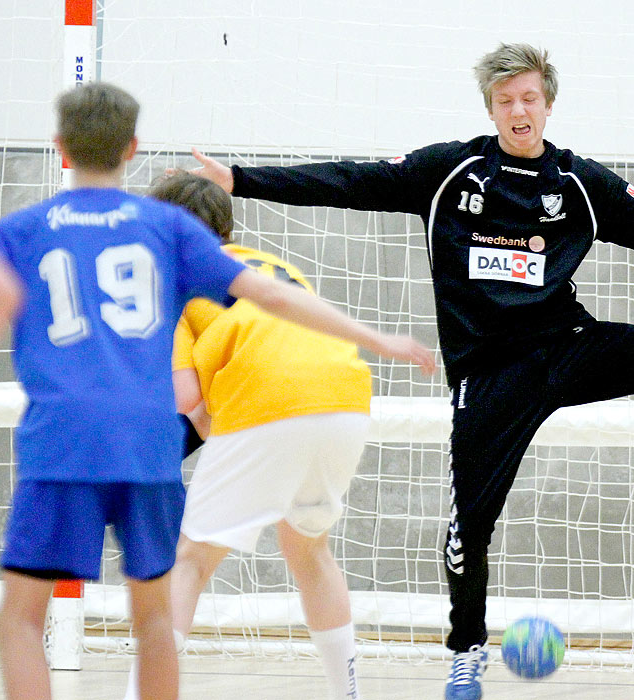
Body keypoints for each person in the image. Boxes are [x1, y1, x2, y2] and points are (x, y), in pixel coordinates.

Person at [181, 43, 634, 700]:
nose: (520, 110)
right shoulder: (450, 172)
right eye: (507, 99)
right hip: (489, 374)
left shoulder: (576, 182)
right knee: (465, 534)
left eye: (531, 98)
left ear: (547, 106)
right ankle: (465, 651)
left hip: (567, 346)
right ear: (490, 108)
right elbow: (351, 183)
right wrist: (241, 180)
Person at [0, 83, 434, 700]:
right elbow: (276, 302)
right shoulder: (215, 249)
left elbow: (181, 393)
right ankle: (347, 690)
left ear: (59, 147)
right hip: (292, 410)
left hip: (91, 435)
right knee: (246, 580)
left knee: (52, 607)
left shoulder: (44, 236)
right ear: (132, 146)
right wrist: (381, 340)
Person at [120, 172, 374, 700]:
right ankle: (348, 694)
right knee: (309, 551)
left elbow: (187, 398)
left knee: (189, 559)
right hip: (347, 399)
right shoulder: (272, 266)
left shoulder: (173, 282)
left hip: (273, 403)